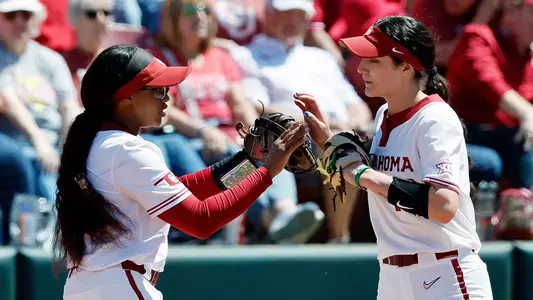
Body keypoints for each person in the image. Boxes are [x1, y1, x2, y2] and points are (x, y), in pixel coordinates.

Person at [53, 44, 308, 299]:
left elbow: (183, 190)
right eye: (158, 90)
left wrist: (249, 162)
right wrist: (267, 171)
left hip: (89, 285)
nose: (167, 97)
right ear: (126, 97)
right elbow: (201, 220)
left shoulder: (96, 143)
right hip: (120, 286)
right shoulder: (127, 149)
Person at [294, 16, 493, 299]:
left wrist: (363, 175)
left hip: (444, 274)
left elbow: (442, 205)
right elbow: (366, 172)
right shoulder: (382, 115)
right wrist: (328, 140)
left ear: (406, 67)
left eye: (374, 60)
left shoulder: (434, 118)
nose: (361, 67)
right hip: (392, 277)